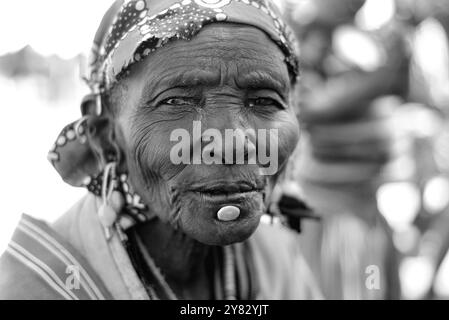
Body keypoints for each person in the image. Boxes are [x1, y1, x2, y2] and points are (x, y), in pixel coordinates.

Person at [0, 0, 320, 300]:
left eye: (264, 100)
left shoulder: (279, 263)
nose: (231, 144)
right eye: (176, 102)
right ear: (106, 135)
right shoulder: (36, 286)